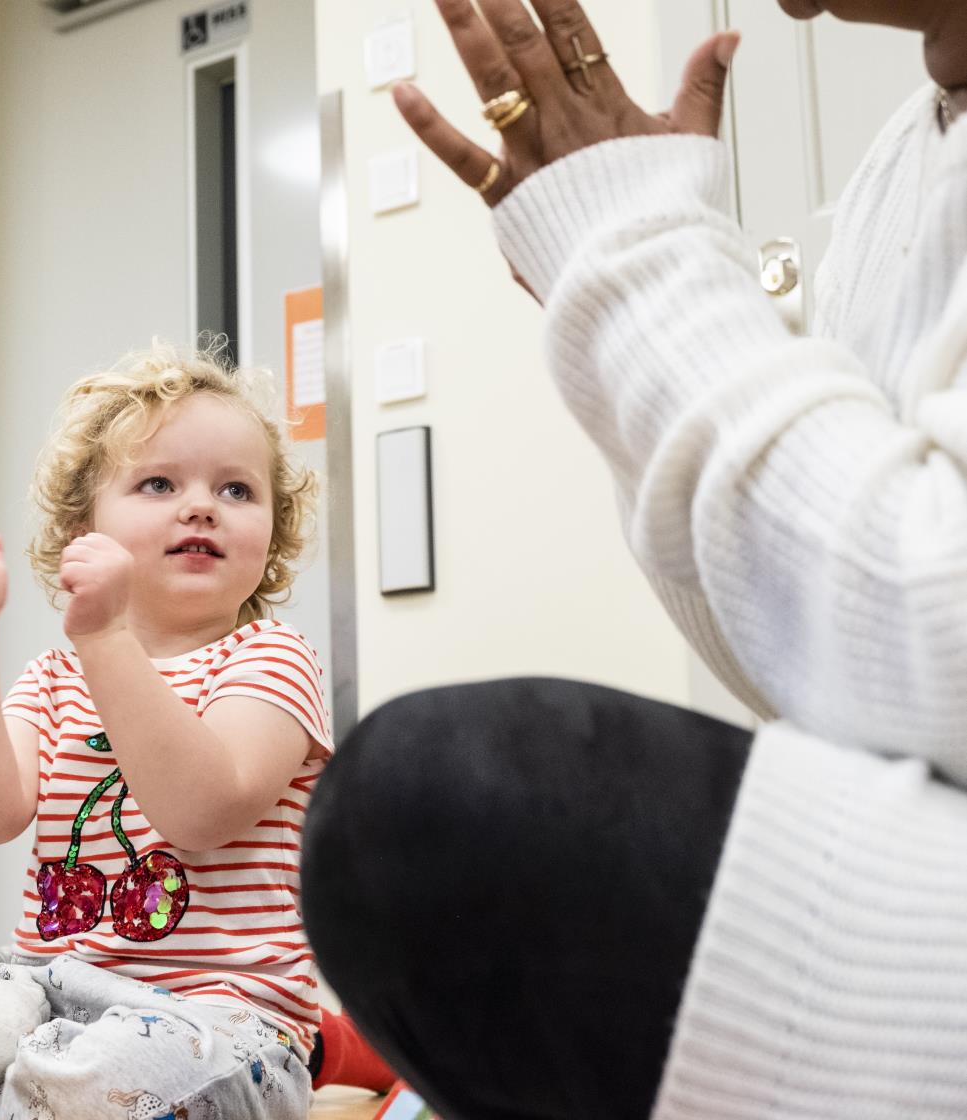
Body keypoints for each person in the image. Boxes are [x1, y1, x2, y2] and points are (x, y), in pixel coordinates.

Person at [302, 1, 967, 1118]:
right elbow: (804, 666)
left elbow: (940, 644)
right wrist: (610, 317)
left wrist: (635, 258)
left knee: (425, 803)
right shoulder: (911, 149)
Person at [0, 344, 339, 1117]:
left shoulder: (271, 656)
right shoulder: (52, 677)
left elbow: (201, 809)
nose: (199, 505)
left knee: (101, 1076)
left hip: (225, 1024)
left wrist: (105, 639)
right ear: (83, 527)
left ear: (271, 533)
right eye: (158, 483)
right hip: (54, 997)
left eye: (236, 488)